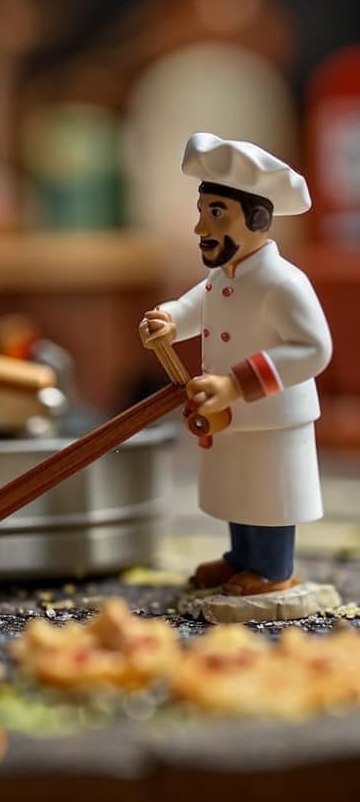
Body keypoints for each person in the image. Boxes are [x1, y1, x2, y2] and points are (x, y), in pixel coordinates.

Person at [140, 133, 332, 597]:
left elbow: (314, 348)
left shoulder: (283, 284)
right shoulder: (221, 279)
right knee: (237, 491)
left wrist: (236, 384)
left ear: (257, 218)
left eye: (216, 214)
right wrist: (168, 319)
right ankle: (241, 558)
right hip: (226, 416)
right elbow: (195, 308)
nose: (200, 228)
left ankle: (272, 569)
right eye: (202, 213)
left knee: (269, 495)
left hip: (271, 417)